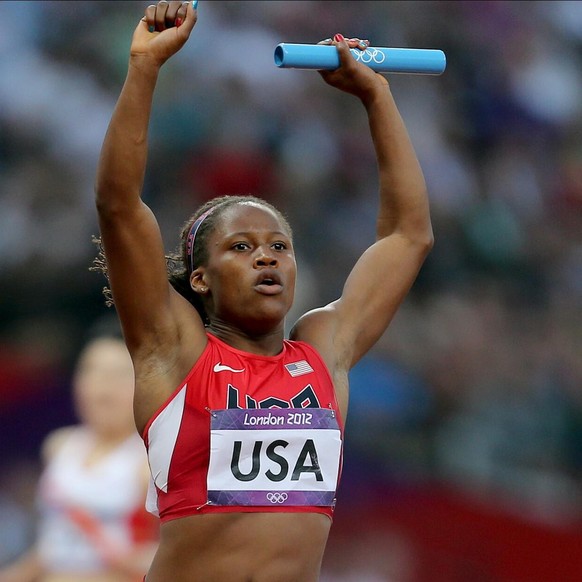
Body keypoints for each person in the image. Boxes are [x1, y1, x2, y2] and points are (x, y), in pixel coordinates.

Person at [93, 1, 433, 580]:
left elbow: (408, 235)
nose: (267, 257)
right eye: (241, 248)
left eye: (279, 246)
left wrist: (377, 98)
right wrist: (145, 69)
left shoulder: (324, 351)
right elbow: (120, 207)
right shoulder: (173, 349)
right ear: (199, 278)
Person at [0, 319, 159, 582]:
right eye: (91, 371)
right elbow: (53, 545)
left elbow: (178, 553)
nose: (102, 389)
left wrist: (128, 559)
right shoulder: (59, 445)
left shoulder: (150, 460)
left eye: (117, 375)